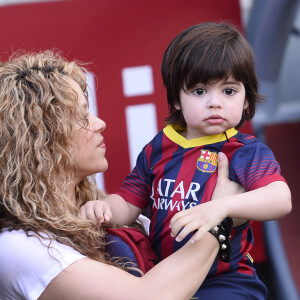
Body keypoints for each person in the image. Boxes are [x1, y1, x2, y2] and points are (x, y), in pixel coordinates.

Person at [0, 50, 244, 300]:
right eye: (82, 117)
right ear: (40, 140)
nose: (99, 123)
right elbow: (146, 297)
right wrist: (218, 218)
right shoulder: (17, 247)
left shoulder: (104, 210)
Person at [79, 22, 292, 299]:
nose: (215, 103)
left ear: (247, 101)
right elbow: (129, 203)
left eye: (229, 91)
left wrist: (221, 207)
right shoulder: (159, 147)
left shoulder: (243, 150)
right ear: (176, 99)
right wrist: (103, 208)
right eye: (200, 91)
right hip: (167, 277)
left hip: (226, 281)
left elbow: (280, 198)